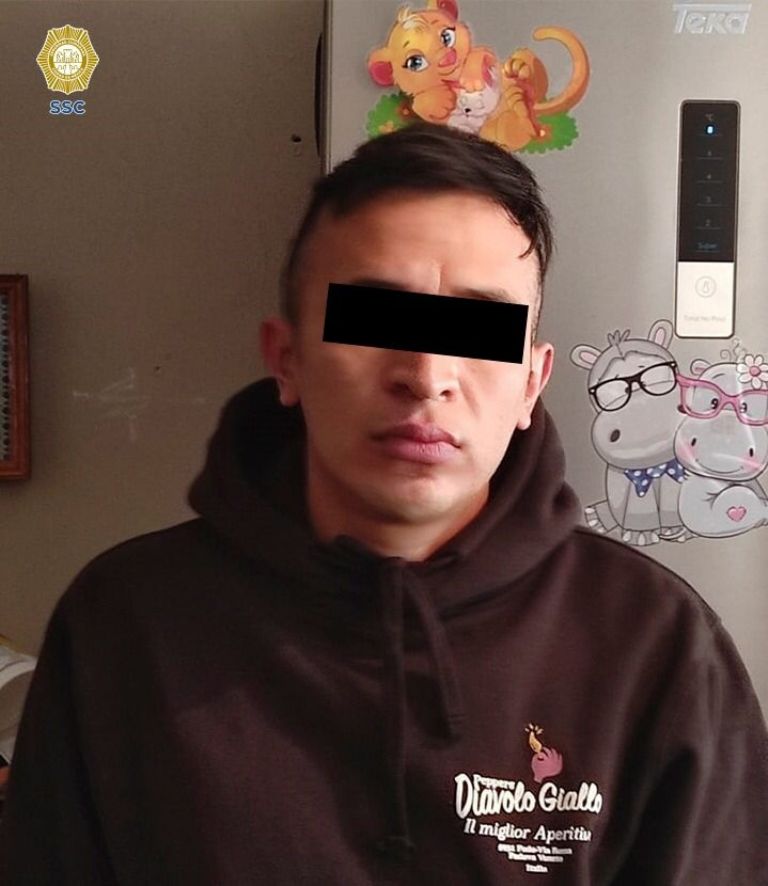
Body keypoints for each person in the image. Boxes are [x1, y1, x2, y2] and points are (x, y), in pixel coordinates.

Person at [1, 121, 767, 885]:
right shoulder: (124, 626)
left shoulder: (658, 643)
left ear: (531, 383)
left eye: (477, 328)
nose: (426, 374)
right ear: (287, 359)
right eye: (376, 320)